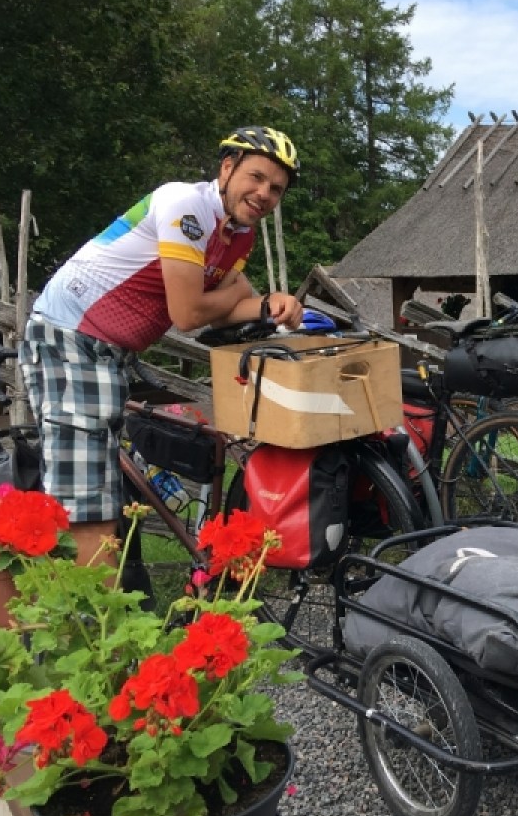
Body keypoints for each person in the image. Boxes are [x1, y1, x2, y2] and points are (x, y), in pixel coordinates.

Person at [19, 126, 305, 568]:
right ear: (227, 168)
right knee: (88, 509)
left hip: (110, 350)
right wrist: (245, 298)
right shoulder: (186, 205)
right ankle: (93, 630)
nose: (264, 193)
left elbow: (230, 303)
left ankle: (87, 608)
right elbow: (190, 313)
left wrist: (270, 304)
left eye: (276, 188)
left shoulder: (239, 234)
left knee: (94, 487)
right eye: (256, 177)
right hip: (72, 337)